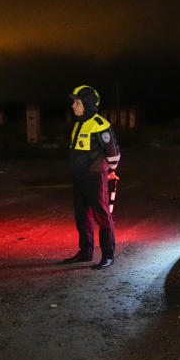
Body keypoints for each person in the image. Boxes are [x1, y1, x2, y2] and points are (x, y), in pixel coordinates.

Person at [61, 85, 121, 269]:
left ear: (86, 103)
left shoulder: (100, 125)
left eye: (76, 102)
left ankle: (108, 255)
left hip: (95, 178)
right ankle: (85, 252)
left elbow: (113, 153)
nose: (73, 105)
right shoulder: (79, 123)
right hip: (79, 178)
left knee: (102, 216)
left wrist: (110, 170)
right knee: (82, 217)